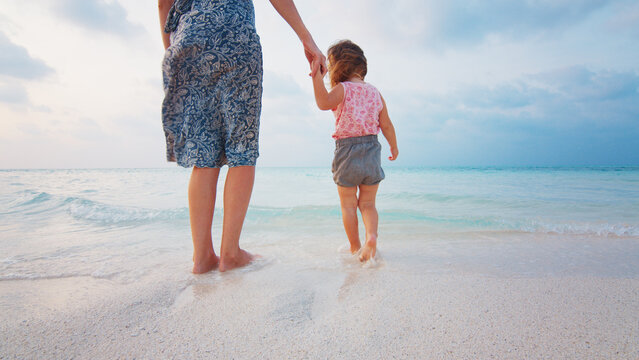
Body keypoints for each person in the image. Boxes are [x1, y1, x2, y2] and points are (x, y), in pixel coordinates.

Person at [158, 0, 326, 273]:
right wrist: (307, 39)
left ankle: (202, 258)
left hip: (188, 39)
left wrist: (174, 47)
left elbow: (163, 3)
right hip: (235, 34)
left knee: (204, 150)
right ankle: (230, 253)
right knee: (241, 147)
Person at [311, 40, 398, 262]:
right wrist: (394, 146)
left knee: (348, 206)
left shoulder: (342, 90)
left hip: (346, 151)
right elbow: (386, 124)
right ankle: (372, 237)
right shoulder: (375, 93)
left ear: (337, 67)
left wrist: (316, 78)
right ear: (361, 66)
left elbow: (323, 102)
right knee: (368, 204)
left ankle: (355, 248)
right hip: (371, 151)